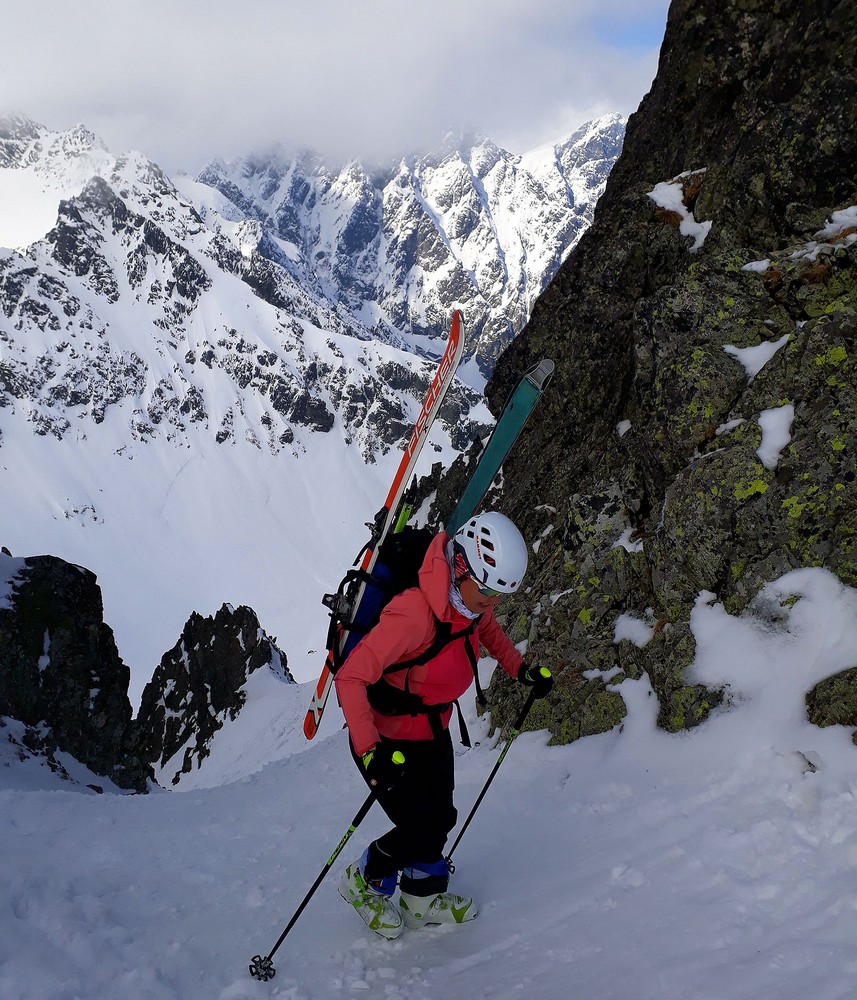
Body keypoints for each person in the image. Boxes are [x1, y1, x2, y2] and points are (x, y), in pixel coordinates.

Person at [334, 510, 554, 939]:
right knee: (419, 826)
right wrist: (369, 751)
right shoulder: (415, 613)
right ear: (461, 567)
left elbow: (487, 630)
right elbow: (351, 677)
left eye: (498, 597)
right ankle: (364, 880)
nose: (491, 605)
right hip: (385, 739)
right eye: (488, 593)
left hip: (431, 729)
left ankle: (421, 897)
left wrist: (520, 669)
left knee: (442, 815)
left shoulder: (467, 603)